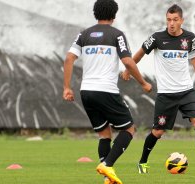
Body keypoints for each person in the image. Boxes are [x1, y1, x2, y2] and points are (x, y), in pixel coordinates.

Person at [63, 0, 152, 183]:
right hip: (106, 90)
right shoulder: (117, 34)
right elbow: (127, 62)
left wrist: (67, 87)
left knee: (104, 134)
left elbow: (69, 58)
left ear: (95, 13)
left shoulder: (84, 34)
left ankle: (107, 177)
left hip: (86, 92)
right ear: (114, 15)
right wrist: (143, 82)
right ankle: (107, 165)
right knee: (129, 128)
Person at [121, 4, 195, 174]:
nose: (171, 23)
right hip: (166, 94)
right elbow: (140, 53)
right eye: (169, 20)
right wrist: (128, 68)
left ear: (182, 20)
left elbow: (194, 58)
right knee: (158, 131)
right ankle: (142, 162)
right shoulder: (157, 38)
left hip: (186, 91)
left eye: (175, 20)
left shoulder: (189, 37)